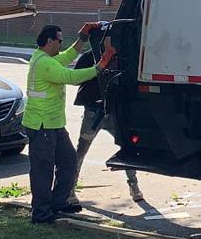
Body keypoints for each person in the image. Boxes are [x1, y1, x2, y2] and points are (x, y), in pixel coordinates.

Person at [25, 22, 110, 224]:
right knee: (43, 170)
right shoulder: (45, 63)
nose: (62, 44)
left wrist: (82, 39)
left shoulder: (48, 58)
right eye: (60, 40)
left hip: (53, 124)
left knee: (68, 161)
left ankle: (59, 203)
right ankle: (41, 213)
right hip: (41, 125)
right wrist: (100, 66)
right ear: (49, 41)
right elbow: (71, 77)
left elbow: (67, 57)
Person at [66, 35, 142, 204]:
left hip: (114, 113)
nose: (110, 43)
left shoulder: (121, 58)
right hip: (94, 111)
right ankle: (70, 190)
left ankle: (134, 186)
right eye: (107, 39)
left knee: (127, 147)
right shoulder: (89, 57)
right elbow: (76, 77)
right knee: (82, 149)